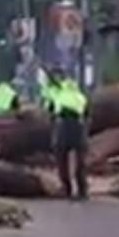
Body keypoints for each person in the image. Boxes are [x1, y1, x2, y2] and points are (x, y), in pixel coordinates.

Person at [47, 65, 89, 200]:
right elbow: (87, 114)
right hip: (77, 126)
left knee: (61, 158)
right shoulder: (79, 95)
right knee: (79, 161)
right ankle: (82, 189)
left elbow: (50, 110)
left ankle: (67, 188)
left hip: (63, 126)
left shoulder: (57, 93)